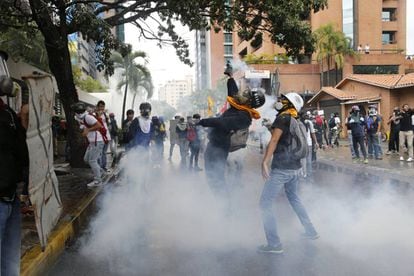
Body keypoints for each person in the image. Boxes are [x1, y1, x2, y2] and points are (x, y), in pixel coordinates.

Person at [259, 92, 318, 254]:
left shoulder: (283, 118)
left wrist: (265, 161)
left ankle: (274, 244)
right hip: (295, 168)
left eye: (284, 100)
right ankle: (311, 231)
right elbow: (283, 139)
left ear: (289, 104)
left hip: (282, 169)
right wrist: (268, 127)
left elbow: (275, 140)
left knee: (265, 203)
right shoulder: (295, 119)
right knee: (294, 198)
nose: (280, 101)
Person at [198, 86, 265, 203]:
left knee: (216, 178)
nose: (243, 94)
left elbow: (223, 122)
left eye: (247, 95)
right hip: (214, 146)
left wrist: (202, 122)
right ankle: (221, 203)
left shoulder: (244, 116)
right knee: (212, 177)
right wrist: (231, 78)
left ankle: (225, 208)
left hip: (219, 147)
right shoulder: (239, 108)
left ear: (250, 102)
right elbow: (233, 94)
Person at [0, 63, 30, 275]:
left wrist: (24, 122)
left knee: (10, 259)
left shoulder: (7, 113)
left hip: (10, 194)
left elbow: (19, 152)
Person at [73, 102, 105, 187]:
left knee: (92, 161)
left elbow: (99, 125)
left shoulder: (88, 117)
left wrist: (88, 130)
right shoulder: (80, 118)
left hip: (97, 141)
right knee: (86, 159)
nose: (77, 113)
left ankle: (98, 181)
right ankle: (100, 172)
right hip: (92, 142)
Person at [96, 100, 111, 171]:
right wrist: (98, 115)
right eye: (100, 106)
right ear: (98, 107)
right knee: (99, 152)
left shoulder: (105, 115)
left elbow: (107, 124)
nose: (102, 108)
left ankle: (104, 166)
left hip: (106, 135)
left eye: (103, 106)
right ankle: (99, 167)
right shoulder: (95, 114)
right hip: (99, 136)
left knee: (104, 152)